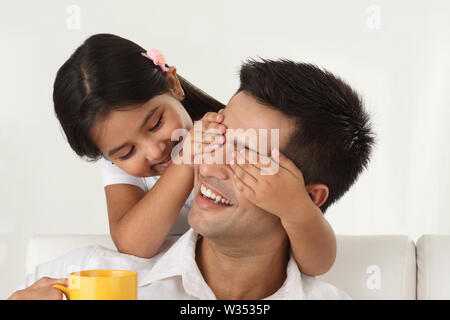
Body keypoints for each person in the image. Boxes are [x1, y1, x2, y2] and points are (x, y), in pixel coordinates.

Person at [9, 58, 374, 300]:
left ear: (309, 197)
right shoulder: (89, 281)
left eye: (245, 154)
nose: (209, 166)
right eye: (214, 138)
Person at [52, 33, 338, 276]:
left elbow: (316, 265)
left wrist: (298, 209)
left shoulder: (224, 133)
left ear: (174, 84)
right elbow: (134, 245)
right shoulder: (123, 170)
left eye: (155, 124)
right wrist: (185, 159)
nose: (154, 150)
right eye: (127, 152)